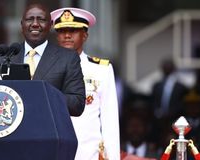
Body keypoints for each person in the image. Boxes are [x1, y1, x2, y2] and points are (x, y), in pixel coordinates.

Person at [51, 7, 120, 159]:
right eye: (62, 31)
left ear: (85, 35)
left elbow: (110, 121)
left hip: (88, 154)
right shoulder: (44, 68)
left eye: (73, 30)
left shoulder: (101, 70)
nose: (67, 35)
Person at [9, 3, 85, 116]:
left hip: (48, 131)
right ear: (22, 25)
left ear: (50, 25)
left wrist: (43, 94)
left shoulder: (68, 58)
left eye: (41, 19)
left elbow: (77, 104)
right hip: (12, 131)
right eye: (30, 19)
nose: (35, 24)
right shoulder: (5, 57)